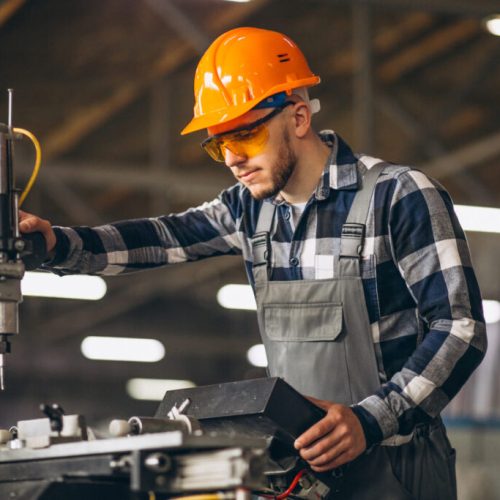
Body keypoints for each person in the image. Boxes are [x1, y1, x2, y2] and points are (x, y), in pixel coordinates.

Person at [20, 27, 486, 499]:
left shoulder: (398, 195)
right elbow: (162, 237)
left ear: (299, 117)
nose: (231, 158)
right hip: (299, 476)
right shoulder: (249, 209)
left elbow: (460, 329)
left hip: (398, 468)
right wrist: (58, 244)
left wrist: (370, 419)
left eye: (245, 134)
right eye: (218, 143)